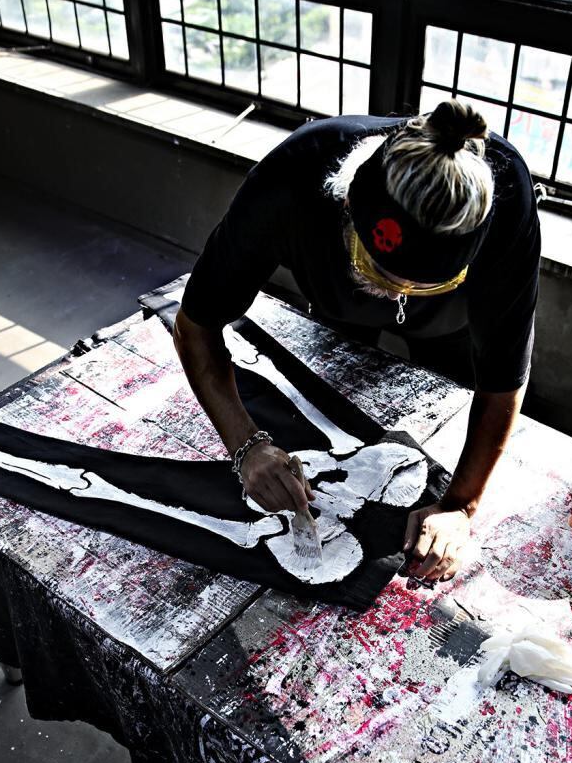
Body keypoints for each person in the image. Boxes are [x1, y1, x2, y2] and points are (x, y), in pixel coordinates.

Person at [173, 100, 540, 583]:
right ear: (347, 203)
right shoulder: (292, 180)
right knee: (329, 406)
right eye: (381, 272)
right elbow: (195, 324)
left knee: (450, 404)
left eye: (422, 284)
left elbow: (503, 378)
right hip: (338, 307)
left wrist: (459, 505)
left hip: (450, 327)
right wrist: (245, 445)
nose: (397, 295)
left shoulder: (506, 197)